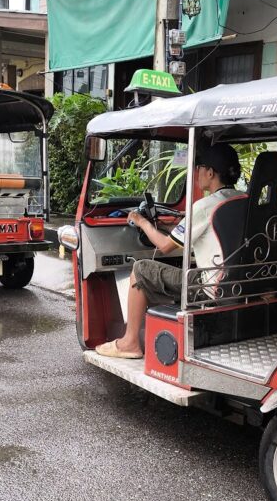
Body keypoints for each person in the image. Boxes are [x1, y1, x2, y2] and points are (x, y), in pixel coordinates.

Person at [95, 143, 243, 359]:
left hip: (210, 291)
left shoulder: (204, 206)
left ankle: (130, 342)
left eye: (199, 168)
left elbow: (165, 246)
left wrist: (142, 222)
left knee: (141, 269)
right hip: (238, 287)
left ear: (210, 172)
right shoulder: (243, 200)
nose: (196, 173)